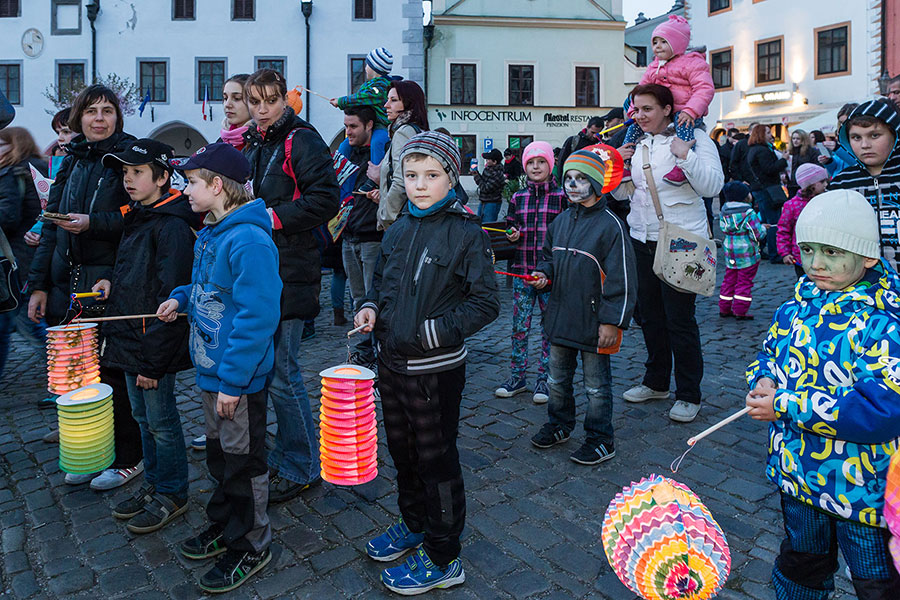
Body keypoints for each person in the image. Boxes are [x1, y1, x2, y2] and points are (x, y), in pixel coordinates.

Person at [354, 131, 500, 595]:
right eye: (411, 175)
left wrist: (431, 333)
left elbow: (484, 303)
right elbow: (382, 284)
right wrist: (371, 308)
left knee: (436, 461)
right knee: (403, 452)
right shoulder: (397, 228)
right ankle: (415, 523)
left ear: (451, 179)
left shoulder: (465, 233)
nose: (419, 185)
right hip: (391, 366)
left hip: (434, 371)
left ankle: (443, 554)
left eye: (431, 176)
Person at [745, 189, 900, 599]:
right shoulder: (793, 309)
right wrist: (761, 382)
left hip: (862, 491)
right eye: (808, 250)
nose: (815, 264)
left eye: (831, 252)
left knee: (876, 579)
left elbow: (880, 409)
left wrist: (785, 405)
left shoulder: (882, 324)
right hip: (798, 479)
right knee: (801, 565)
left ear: (867, 256)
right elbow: (766, 357)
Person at [158, 142, 281, 594]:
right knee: (219, 457)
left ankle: (251, 543)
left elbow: (257, 316)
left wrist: (233, 382)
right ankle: (225, 522)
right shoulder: (211, 230)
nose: (184, 190)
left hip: (237, 380)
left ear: (217, 186)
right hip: (214, 374)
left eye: (191, 182)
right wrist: (181, 297)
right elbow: (208, 288)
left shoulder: (248, 239)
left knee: (243, 463)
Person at [27, 84, 144, 489]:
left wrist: (96, 223)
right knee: (78, 370)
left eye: (107, 110)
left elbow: (138, 213)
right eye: (92, 111)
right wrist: (39, 284)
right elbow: (50, 223)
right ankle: (94, 448)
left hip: (108, 279)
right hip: (67, 278)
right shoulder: (70, 159)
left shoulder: (127, 157)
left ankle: (130, 456)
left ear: (118, 117)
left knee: (113, 370)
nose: (99, 118)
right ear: (78, 118)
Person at [241, 68, 340, 503]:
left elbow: (325, 199)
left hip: (292, 270)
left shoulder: (301, 138)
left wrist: (273, 217)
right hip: (260, 269)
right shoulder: (255, 141)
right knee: (269, 372)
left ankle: (302, 465)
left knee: (284, 374)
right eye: (255, 101)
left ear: (285, 99)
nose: (262, 109)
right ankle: (285, 452)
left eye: (270, 100)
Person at [91, 139, 194, 533]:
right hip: (128, 341)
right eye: (125, 173)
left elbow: (171, 299)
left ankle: (173, 491)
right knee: (141, 418)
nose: (128, 180)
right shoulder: (139, 215)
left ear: (163, 176)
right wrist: (110, 282)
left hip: (152, 348)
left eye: (137, 172)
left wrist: (153, 361)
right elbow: (137, 277)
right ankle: (153, 483)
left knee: (162, 423)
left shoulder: (171, 226)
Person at [611, 83, 724, 424]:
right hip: (641, 237)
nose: (639, 116)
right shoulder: (635, 142)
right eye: (635, 109)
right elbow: (620, 194)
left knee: (679, 319)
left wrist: (685, 155)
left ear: (666, 109)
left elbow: (712, 186)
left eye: (646, 109)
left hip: (682, 240)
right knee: (650, 317)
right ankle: (656, 381)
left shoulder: (697, 139)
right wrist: (619, 165)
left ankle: (689, 393)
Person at [528, 149, 637, 464]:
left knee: (596, 387)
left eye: (580, 179)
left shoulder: (610, 226)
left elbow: (622, 278)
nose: (573, 185)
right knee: (556, 379)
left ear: (596, 182)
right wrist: (543, 275)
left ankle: (601, 438)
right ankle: (559, 423)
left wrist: (612, 322)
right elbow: (549, 258)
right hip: (561, 316)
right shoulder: (560, 221)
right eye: (568, 180)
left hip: (594, 323)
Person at [494, 141, 566, 404]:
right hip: (522, 273)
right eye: (531, 163)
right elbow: (511, 226)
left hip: (550, 277)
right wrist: (512, 234)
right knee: (519, 328)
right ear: (525, 167)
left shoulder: (562, 197)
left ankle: (545, 379)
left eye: (541, 162)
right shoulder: (518, 197)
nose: (536, 167)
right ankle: (517, 376)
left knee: (549, 329)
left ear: (550, 165)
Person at [622, 15, 715, 186]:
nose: (658, 47)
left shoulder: (692, 63)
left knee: (683, 126)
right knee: (633, 128)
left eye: (664, 42)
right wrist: (634, 111)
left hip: (687, 112)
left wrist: (691, 110)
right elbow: (640, 90)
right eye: (655, 42)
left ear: (677, 43)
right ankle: (625, 163)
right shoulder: (654, 66)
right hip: (668, 112)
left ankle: (682, 166)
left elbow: (705, 88)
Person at [830, 99, 900, 270]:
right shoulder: (841, 182)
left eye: (874, 135)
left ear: (895, 134)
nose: (865, 145)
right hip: (864, 285)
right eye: (856, 137)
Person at [0, 127, 47, 378]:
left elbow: (7, 217)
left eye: (1, 144)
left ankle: (64, 373)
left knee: (26, 320)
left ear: (14, 145)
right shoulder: (39, 167)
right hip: (35, 253)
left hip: (16, 258)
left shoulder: (11, 172)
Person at [341, 105, 381, 366]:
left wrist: (382, 196)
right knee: (357, 298)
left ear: (369, 126)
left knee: (372, 298)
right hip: (349, 237)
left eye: (353, 126)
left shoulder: (380, 156)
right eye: (346, 126)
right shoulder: (347, 154)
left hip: (371, 238)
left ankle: (375, 349)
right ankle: (364, 347)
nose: (348, 132)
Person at [372, 80, 430, 229]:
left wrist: (386, 216)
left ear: (408, 103)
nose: (386, 105)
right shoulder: (418, 130)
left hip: (399, 222)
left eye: (394, 100)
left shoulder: (403, 132)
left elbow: (401, 179)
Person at [332, 47, 393, 169]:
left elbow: (361, 98)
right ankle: (337, 172)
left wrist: (341, 101)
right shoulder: (369, 85)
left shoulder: (380, 87)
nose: (365, 68)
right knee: (344, 146)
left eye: (367, 65)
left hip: (382, 126)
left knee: (377, 143)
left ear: (374, 68)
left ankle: (376, 174)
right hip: (372, 124)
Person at [718, 181, 766, 319]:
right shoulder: (749, 213)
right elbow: (757, 234)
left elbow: (723, 227)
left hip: (730, 251)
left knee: (729, 279)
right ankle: (740, 310)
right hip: (746, 253)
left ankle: (724, 308)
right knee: (744, 281)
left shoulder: (724, 211)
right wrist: (763, 229)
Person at [777, 162, 829, 279]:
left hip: (825, 252)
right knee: (805, 284)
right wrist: (785, 252)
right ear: (810, 185)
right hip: (801, 256)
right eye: (822, 181)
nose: (826, 184)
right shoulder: (792, 205)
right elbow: (784, 230)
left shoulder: (826, 200)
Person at [746, 124, 788, 263]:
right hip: (768, 189)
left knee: (764, 221)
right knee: (773, 222)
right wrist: (784, 160)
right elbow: (769, 169)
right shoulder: (762, 151)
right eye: (768, 132)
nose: (771, 135)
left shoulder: (754, 150)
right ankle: (775, 254)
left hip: (760, 188)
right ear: (761, 135)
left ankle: (760, 249)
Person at [556, 116, 603, 181]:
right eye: (592, 132)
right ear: (587, 127)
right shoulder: (573, 141)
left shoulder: (601, 144)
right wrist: (562, 179)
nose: (594, 136)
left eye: (598, 133)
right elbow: (562, 160)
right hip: (572, 178)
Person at [219, 74, 251, 151]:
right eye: (225, 98)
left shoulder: (263, 143)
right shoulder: (221, 141)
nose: (227, 105)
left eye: (237, 98)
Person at [472, 148, 505, 222]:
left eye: (488, 159)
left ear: (494, 162)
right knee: (479, 223)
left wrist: (476, 176)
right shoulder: (488, 169)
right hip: (484, 201)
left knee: (488, 226)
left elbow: (485, 188)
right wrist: (476, 174)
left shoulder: (498, 174)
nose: (486, 161)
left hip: (492, 203)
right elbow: (482, 182)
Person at [785, 129, 820, 198]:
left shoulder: (811, 151)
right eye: (793, 138)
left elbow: (817, 165)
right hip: (792, 184)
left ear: (803, 140)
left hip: (806, 184)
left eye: (798, 139)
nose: (795, 141)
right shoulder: (789, 152)